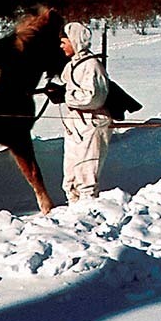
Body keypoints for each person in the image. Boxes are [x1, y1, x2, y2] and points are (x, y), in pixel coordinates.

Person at [52, 22, 112, 203]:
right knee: (71, 175)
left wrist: (65, 95)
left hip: (92, 123)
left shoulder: (92, 66)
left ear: (75, 41)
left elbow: (95, 98)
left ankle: (88, 213)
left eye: (64, 41)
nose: (61, 46)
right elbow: (71, 88)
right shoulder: (72, 65)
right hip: (74, 124)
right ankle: (73, 212)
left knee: (86, 175)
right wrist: (58, 91)